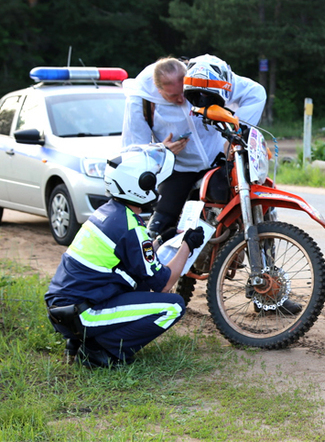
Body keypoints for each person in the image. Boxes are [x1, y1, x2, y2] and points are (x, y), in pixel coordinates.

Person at [45, 144, 205, 368]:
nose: (158, 187)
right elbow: (164, 284)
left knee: (138, 281)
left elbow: (136, 259)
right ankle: (98, 350)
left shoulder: (108, 213)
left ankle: (80, 340)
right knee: (173, 306)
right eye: (154, 181)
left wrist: (161, 239)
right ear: (139, 187)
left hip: (64, 310)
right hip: (80, 314)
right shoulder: (130, 227)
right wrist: (188, 245)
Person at [122, 54, 267, 239]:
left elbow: (255, 93)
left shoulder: (204, 77)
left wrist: (236, 135)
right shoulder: (140, 100)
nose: (182, 100)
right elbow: (132, 151)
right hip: (179, 168)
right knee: (161, 222)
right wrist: (161, 150)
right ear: (158, 91)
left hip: (218, 161)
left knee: (241, 207)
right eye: (173, 96)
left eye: (185, 92)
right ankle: (155, 262)